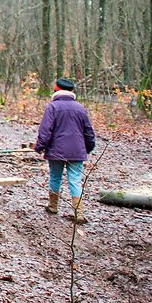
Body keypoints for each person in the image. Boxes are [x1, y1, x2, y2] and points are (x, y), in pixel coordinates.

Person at [35, 77, 96, 224]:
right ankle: (79, 213)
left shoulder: (53, 107)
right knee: (75, 180)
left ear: (56, 90)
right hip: (77, 151)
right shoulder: (80, 108)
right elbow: (88, 132)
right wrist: (88, 147)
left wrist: (40, 146)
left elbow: (45, 131)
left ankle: (53, 206)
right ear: (72, 91)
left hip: (56, 151)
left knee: (55, 177)